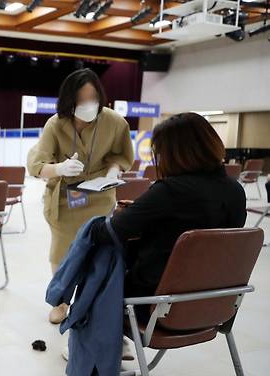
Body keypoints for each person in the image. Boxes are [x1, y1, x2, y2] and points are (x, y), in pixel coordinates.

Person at [91, 112, 247, 300]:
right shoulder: (236, 190)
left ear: (172, 153)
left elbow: (107, 233)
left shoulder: (169, 191)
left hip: (157, 301)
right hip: (214, 302)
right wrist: (144, 212)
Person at [27, 68, 134, 324]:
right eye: (81, 100)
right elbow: (37, 165)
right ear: (69, 100)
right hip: (65, 198)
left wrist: (112, 171)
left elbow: (121, 155)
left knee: (97, 252)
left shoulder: (115, 122)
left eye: (92, 98)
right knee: (62, 251)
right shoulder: (56, 124)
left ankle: (89, 301)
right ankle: (60, 302)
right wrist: (60, 168)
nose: (88, 105)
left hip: (99, 197)